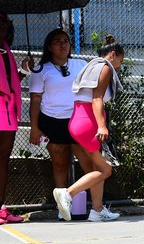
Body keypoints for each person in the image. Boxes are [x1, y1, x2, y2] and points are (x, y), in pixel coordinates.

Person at [52, 35, 126, 222]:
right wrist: (101, 125)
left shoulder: (93, 64)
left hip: (78, 119)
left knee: (96, 166)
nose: (120, 65)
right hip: (88, 122)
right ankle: (67, 194)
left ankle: (97, 210)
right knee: (105, 170)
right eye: (121, 60)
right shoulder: (104, 68)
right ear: (113, 54)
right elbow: (97, 98)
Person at [29, 29, 91, 209]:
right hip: (52, 121)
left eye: (66, 41)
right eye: (57, 41)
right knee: (59, 162)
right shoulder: (40, 70)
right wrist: (34, 128)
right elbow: (35, 100)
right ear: (49, 47)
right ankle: (62, 206)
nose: (63, 44)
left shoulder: (81, 64)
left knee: (87, 160)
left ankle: (97, 204)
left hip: (78, 120)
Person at [0, 13, 25, 225]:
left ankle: (0, 207)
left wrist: (24, 70)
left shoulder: (6, 50)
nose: (3, 26)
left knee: (3, 161)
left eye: (5, 22)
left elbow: (10, 81)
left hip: (8, 111)